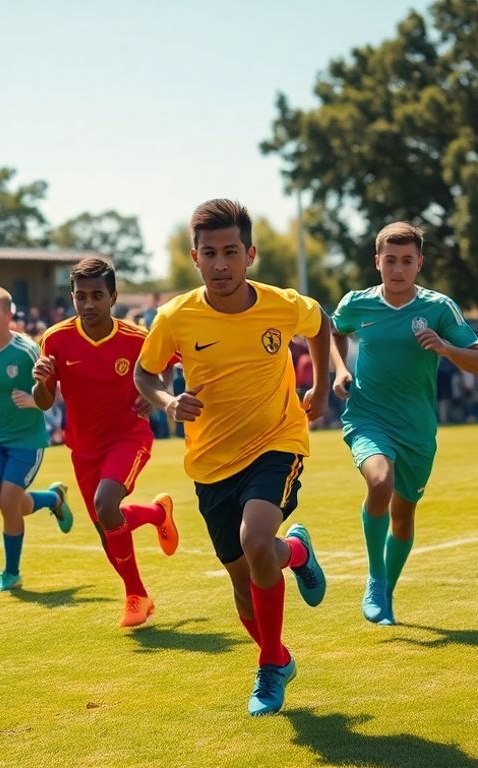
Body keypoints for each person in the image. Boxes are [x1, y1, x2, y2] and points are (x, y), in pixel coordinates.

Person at [134, 199, 335, 717]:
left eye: (230, 252)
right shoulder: (175, 317)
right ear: (194, 258)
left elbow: (320, 323)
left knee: (254, 539)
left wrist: (319, 387)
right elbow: (145, 374)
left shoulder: (281, 304)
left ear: (250, 254)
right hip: (210, 462)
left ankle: (268, 667)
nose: (220, 264)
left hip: (277, 440)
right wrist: (167, 402)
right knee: (245, 587)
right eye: (209, 253)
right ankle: (296, 563)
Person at [330, 221, 478, 626]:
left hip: (416, 428)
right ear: (377, 261)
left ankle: (387, 591)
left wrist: (445, 347)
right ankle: (375, 579)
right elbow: (333, 331)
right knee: (379, 482)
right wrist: (340, 369)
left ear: (420, 264)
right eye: (390, 260)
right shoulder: (356, 303)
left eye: (407, 261)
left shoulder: (438, 307)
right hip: (367, 416)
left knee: (404, 515)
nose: (398, 269)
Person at [33, 257, 180, 627]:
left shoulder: (137, 339)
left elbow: (168, 363)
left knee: (106, 504)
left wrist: (158, 392)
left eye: (97, 295)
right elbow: (44, 401)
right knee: (105, 529)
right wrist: (40, 382)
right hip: (83, 448)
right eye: (81, 296)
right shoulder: (55, 339)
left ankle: (135, 595)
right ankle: (156, 513)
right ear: (72, 297)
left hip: (129, 436)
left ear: (113, 296)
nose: (88, 304)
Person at [0, 285, 74, 593]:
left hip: (25, 438)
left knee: (9, 501)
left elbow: (53, 390)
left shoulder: (28, 350)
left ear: (8, 316)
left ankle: (11, 573)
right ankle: (53, 498)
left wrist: (35, 401)